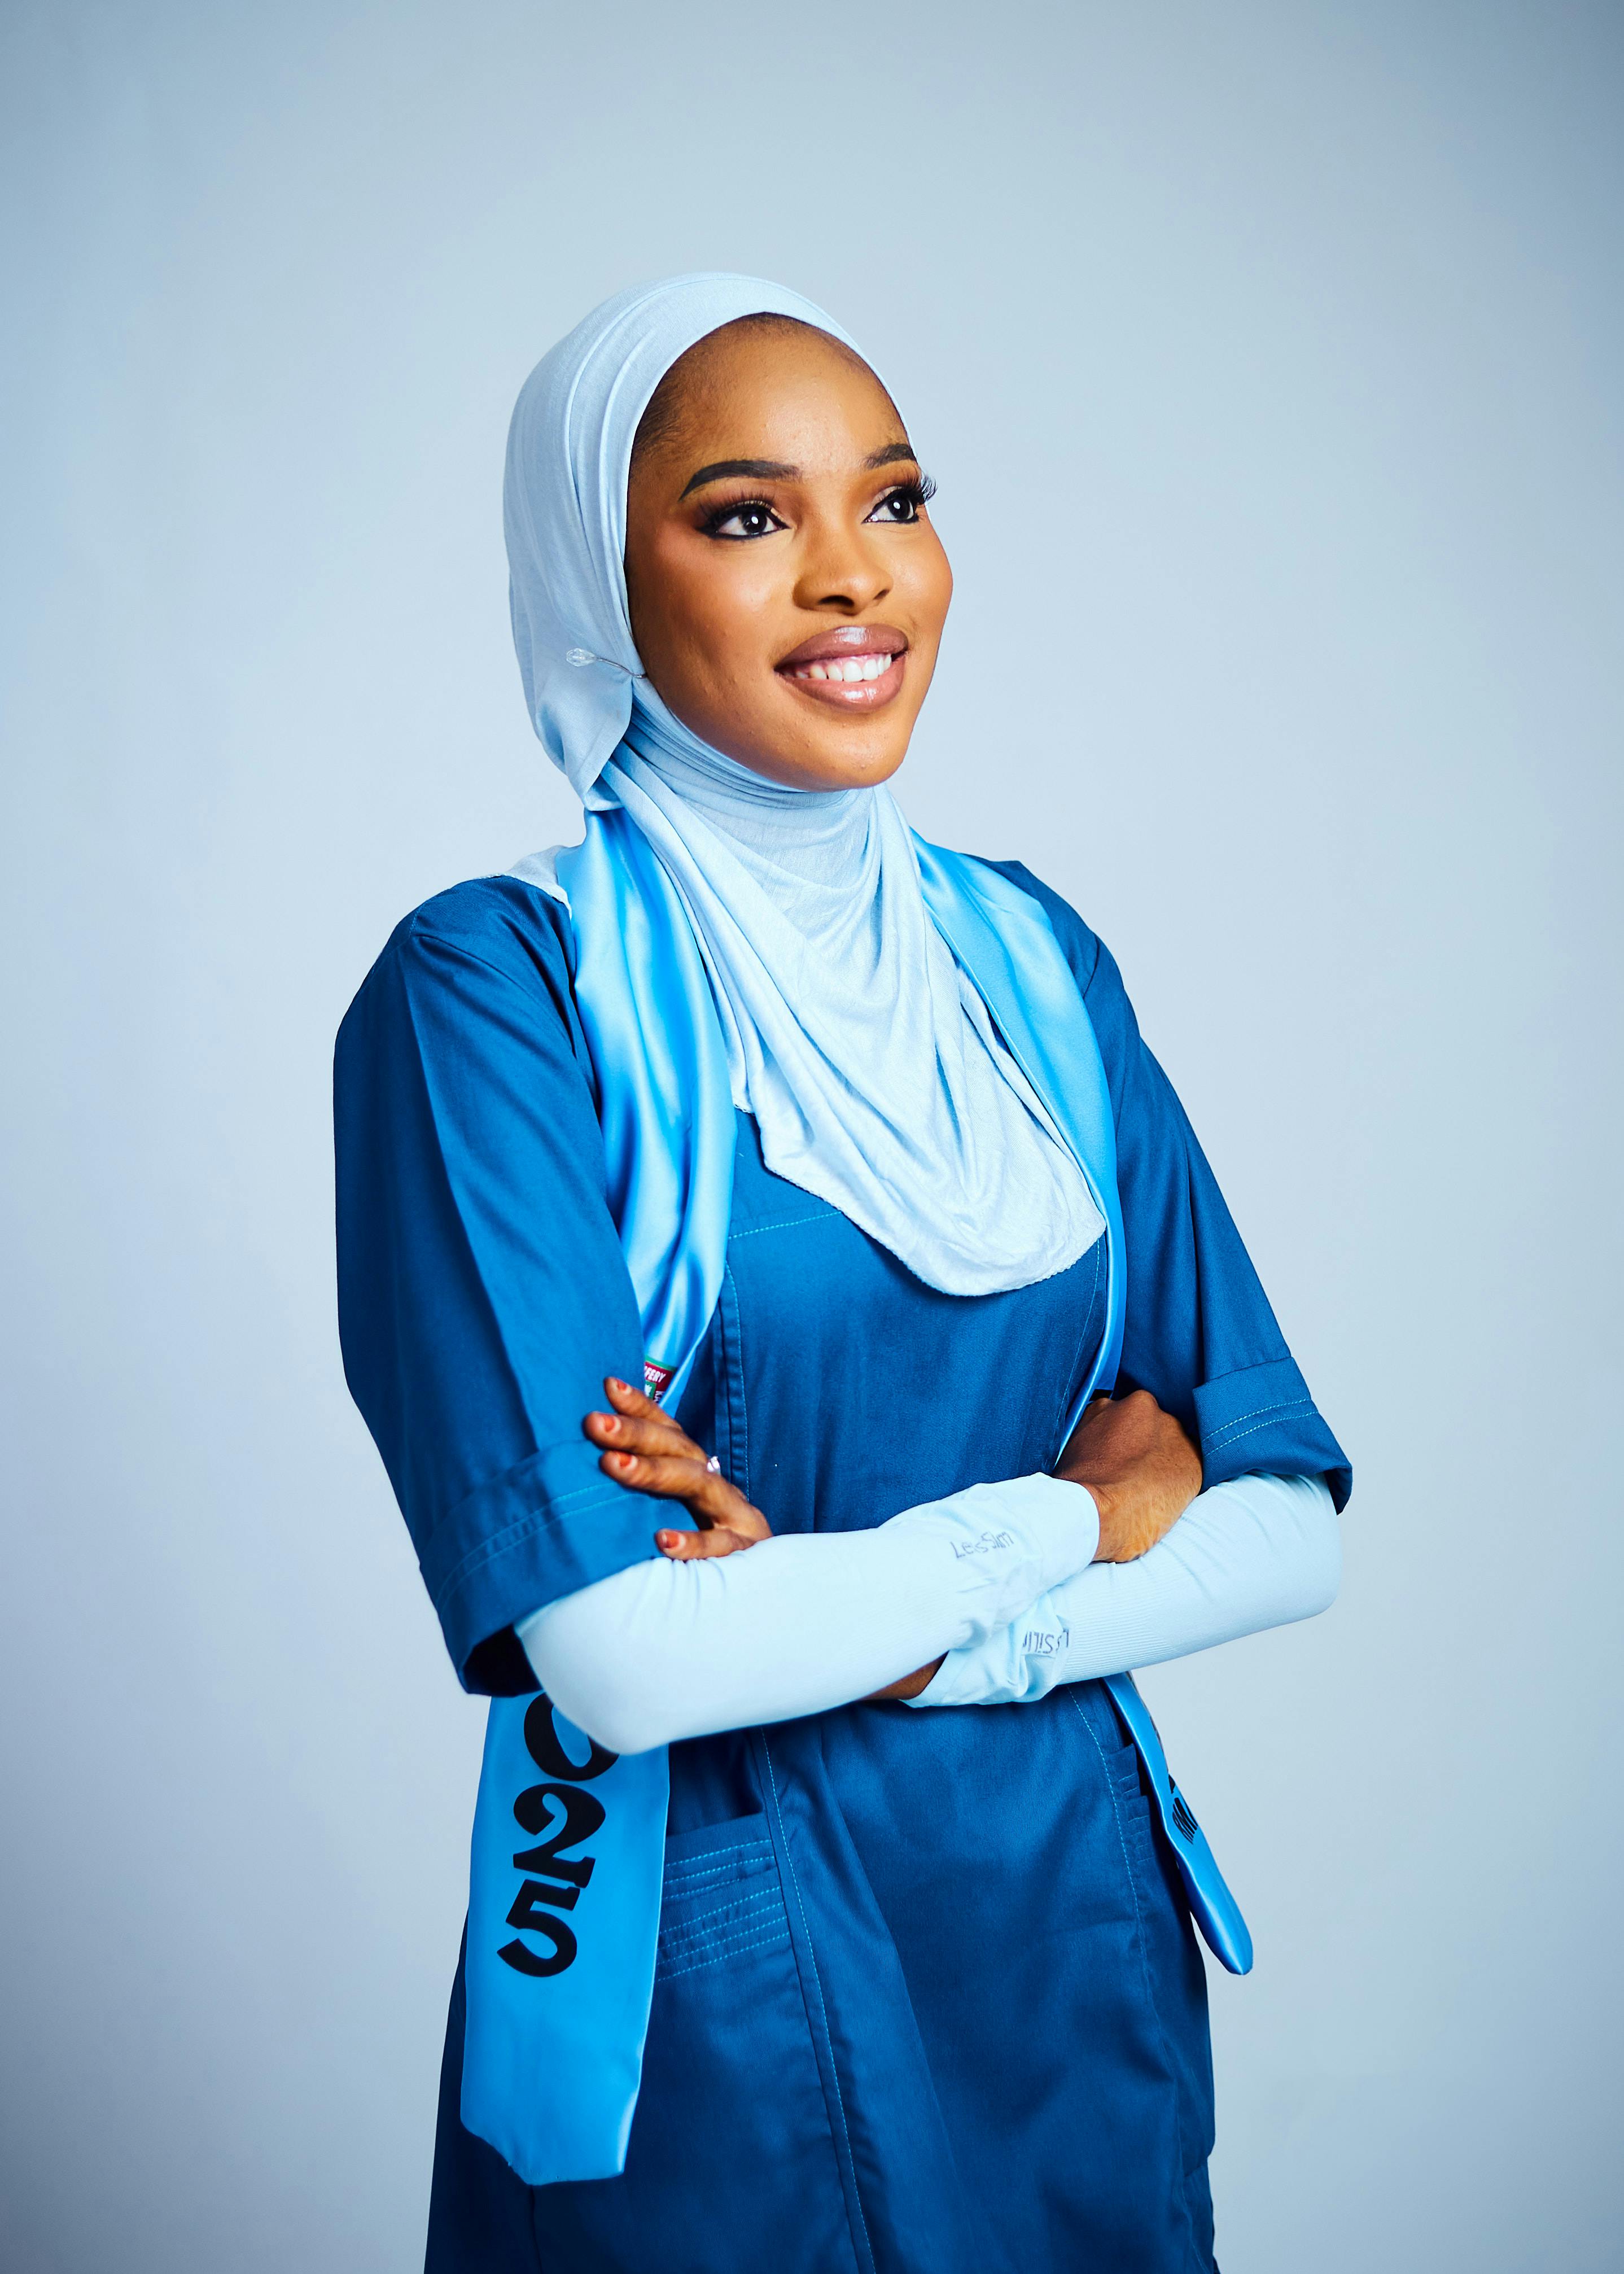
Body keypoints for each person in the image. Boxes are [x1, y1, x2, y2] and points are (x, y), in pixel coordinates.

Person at [335, 273, 1350, 2274]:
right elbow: (625, 1660)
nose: (848, 579)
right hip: (721, 1973)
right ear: (594, 581)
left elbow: (1290, 1522)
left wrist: (857, 1608)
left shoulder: (1031, 966)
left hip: (1069, 1941)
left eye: (892, 499)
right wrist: (1080, 1510)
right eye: (743, 516)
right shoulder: (498, 995)